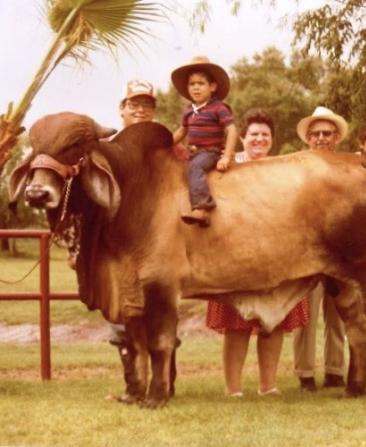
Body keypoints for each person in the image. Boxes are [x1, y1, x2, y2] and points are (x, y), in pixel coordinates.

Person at [205, 108, 309, 397]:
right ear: (242, 139)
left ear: (272, 140)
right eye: (254, 135)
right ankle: (233, 388)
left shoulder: (282, 169)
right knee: (236, 323)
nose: (259, 140)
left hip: (276, 257)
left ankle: (268, 385)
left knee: (272, 322)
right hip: (235, 254)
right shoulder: (227, 167)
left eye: (265, 135)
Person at [107, 79, 180, 403]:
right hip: (117, 246)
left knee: (159, 311)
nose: (140, 110)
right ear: (121, 109)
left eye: (147, 105)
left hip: (158, 244)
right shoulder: (105, 148)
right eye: (133, 104)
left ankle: (164, 385)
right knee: (124, 317)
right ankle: (134, 387)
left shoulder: (168, 150)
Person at [292, 106, 348, 391]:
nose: (321, 138)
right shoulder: (297, 168)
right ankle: (304, 372)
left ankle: (336, 369)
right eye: (316, 134)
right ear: (308, 138)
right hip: (306, 252)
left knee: (338, 314)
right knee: (306, 314)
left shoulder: (345, 167)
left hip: (339, 252)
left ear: (336, 136)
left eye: (327, 133)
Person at [171, 55, 238, 226]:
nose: (196, 88)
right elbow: (182, 130)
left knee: (196, 167)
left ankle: (202, 207)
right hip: (193, 152)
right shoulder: (188, 111)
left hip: (211, 152)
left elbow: (231, 130)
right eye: (192, 84)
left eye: (201, 84)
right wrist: (166, 143)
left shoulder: (218, 108)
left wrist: (226, 156)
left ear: (212, 86)